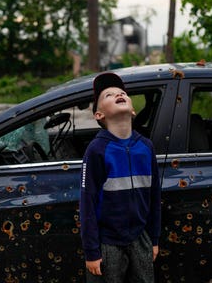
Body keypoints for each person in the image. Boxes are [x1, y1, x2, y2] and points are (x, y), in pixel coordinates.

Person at [79, 72, 161, 283]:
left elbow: (154, 197)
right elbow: (87, 202)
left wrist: (153, 238)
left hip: (140, 237)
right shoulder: (96, 150)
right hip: (108, 242)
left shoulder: (146, 147)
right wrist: (91, 251)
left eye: (122, 93)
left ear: (132, 110)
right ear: (99, 115)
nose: (118, 95)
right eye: (108, 95)